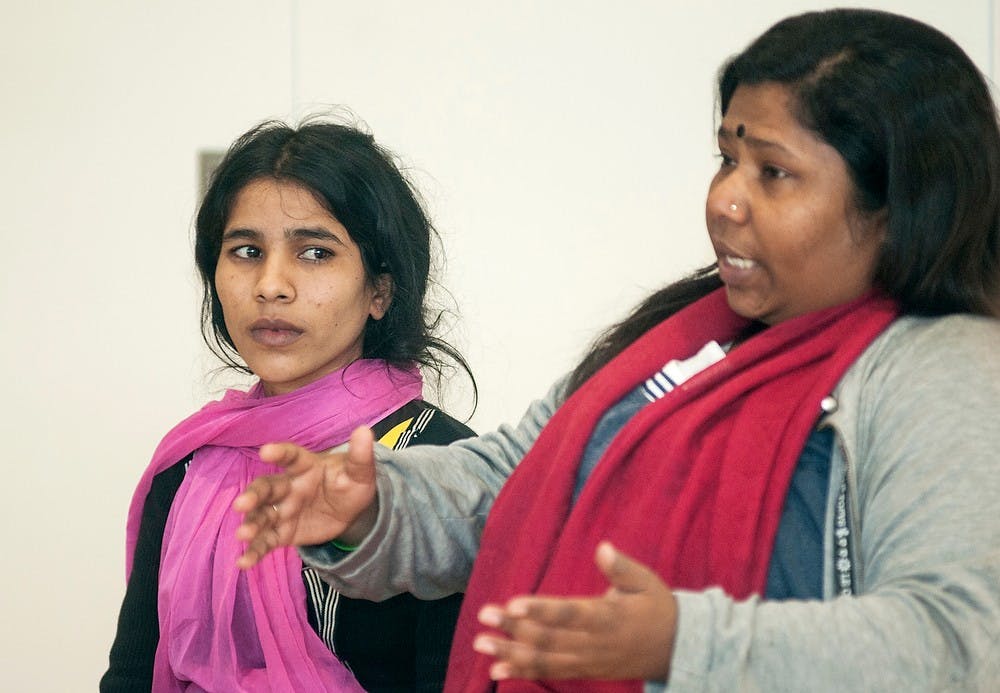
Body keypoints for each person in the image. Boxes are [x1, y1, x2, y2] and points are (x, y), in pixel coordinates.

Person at [234, 9, 1000, 692]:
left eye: (773, 172)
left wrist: (681, 642)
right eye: (726, 159)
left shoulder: (941, 368)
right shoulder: (684, 336)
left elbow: (956, 646)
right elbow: (512, 478)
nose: (725, 200)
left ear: (898, 206)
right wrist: (372, 505)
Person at [101, 119, 477, 692]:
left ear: (380, 290)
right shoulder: (189, 466)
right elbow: (130, 678)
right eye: (247, 251)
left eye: (315, 253)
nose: (271, 285)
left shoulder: (442, 469)